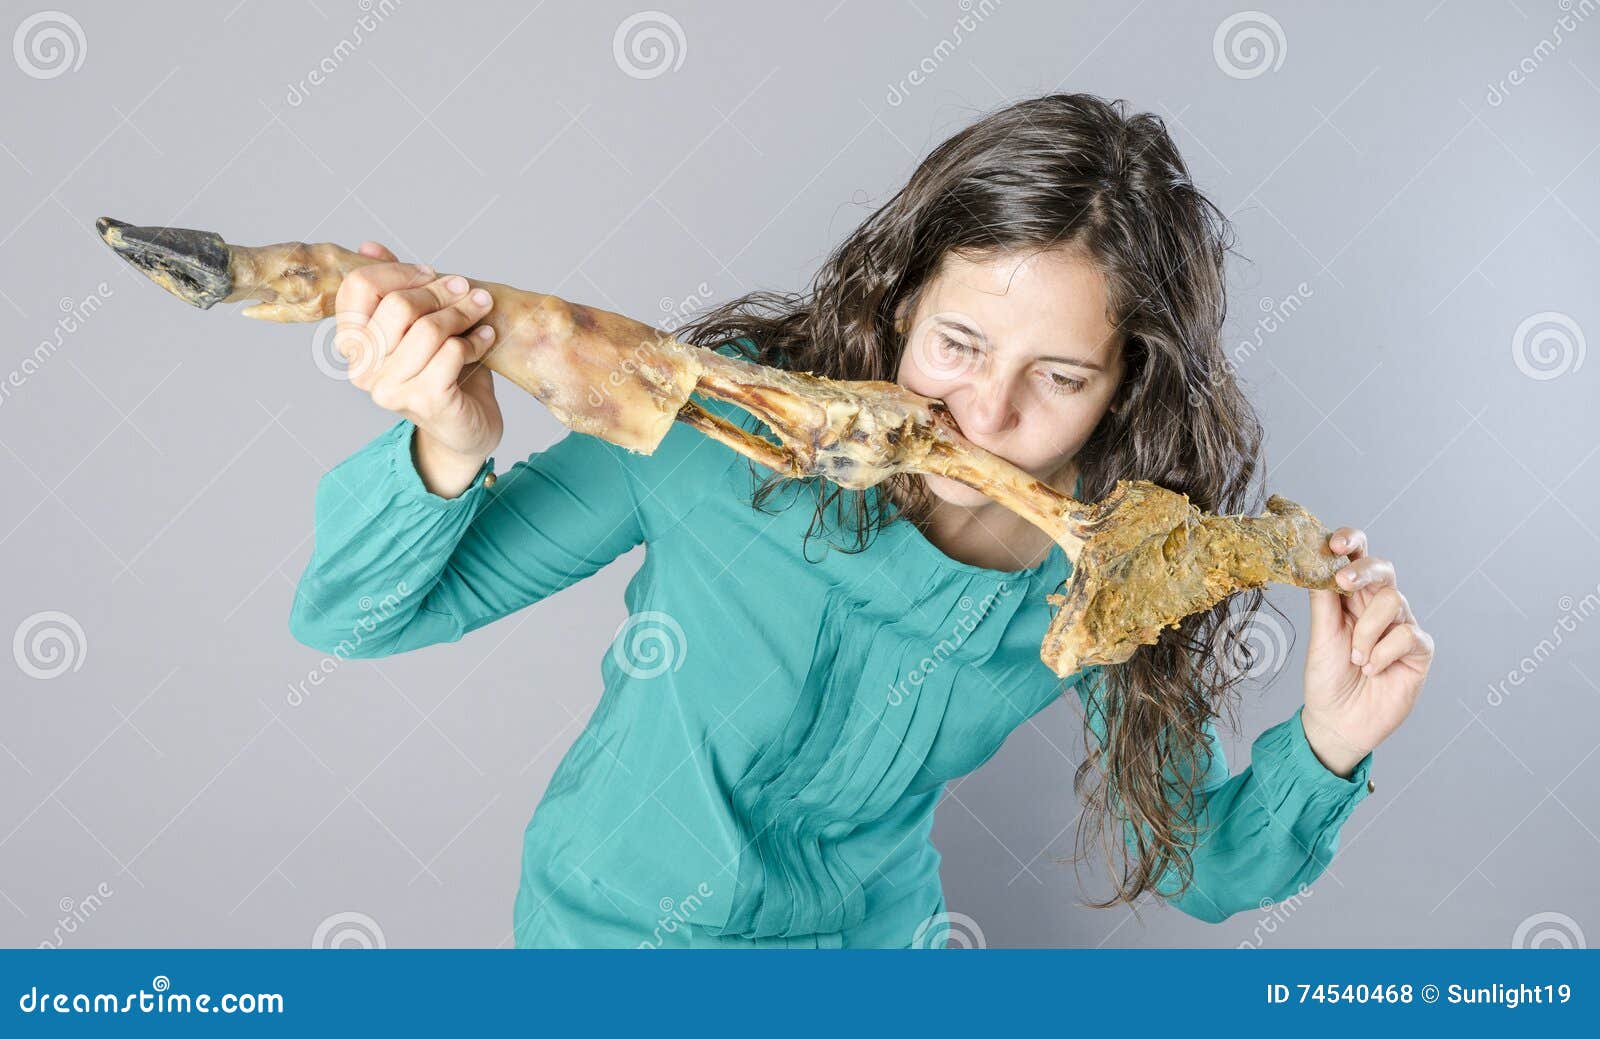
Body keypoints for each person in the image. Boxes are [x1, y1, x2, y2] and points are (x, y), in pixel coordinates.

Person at [288, 93, 1434, 948]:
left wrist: (1329, 741)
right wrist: (451, 439)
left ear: (1126, 385)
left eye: (1061, 379)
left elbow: (1191, 864)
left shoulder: (1126, 567)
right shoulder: (717, 425)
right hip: (603, 953)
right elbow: (354, 618)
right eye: (959, 346)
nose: (987, 416)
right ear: (898, 304)